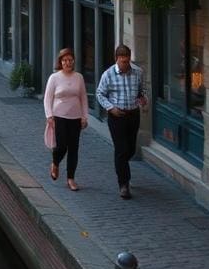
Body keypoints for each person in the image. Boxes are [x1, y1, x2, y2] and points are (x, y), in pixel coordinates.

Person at [95, 44, 148, 199]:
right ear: (116, 59)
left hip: (133, 114)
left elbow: (142, 89)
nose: (125, 65)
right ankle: (123, 184)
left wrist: (143, 98)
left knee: (130, 149)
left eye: (127, 61)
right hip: (117, 116)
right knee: (121, 149)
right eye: (122, 62)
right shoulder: (108, 74)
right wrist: (110, 108)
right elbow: (100, 94)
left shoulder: (138, 72)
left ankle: (123, 171)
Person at [43, 48, 89, 192]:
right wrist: (49, 115)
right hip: (59, 116)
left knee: (74, 149)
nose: (68, 63)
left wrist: (84, 116)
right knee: (62, 146)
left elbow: (83, 98)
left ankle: (71, 178)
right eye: (65, 60)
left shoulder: (79, 77)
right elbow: (47, 98)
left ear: (73, 61)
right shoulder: (54, 78)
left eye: (70, 60)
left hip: (75, 117)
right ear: (60, 62)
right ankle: (55, 163)